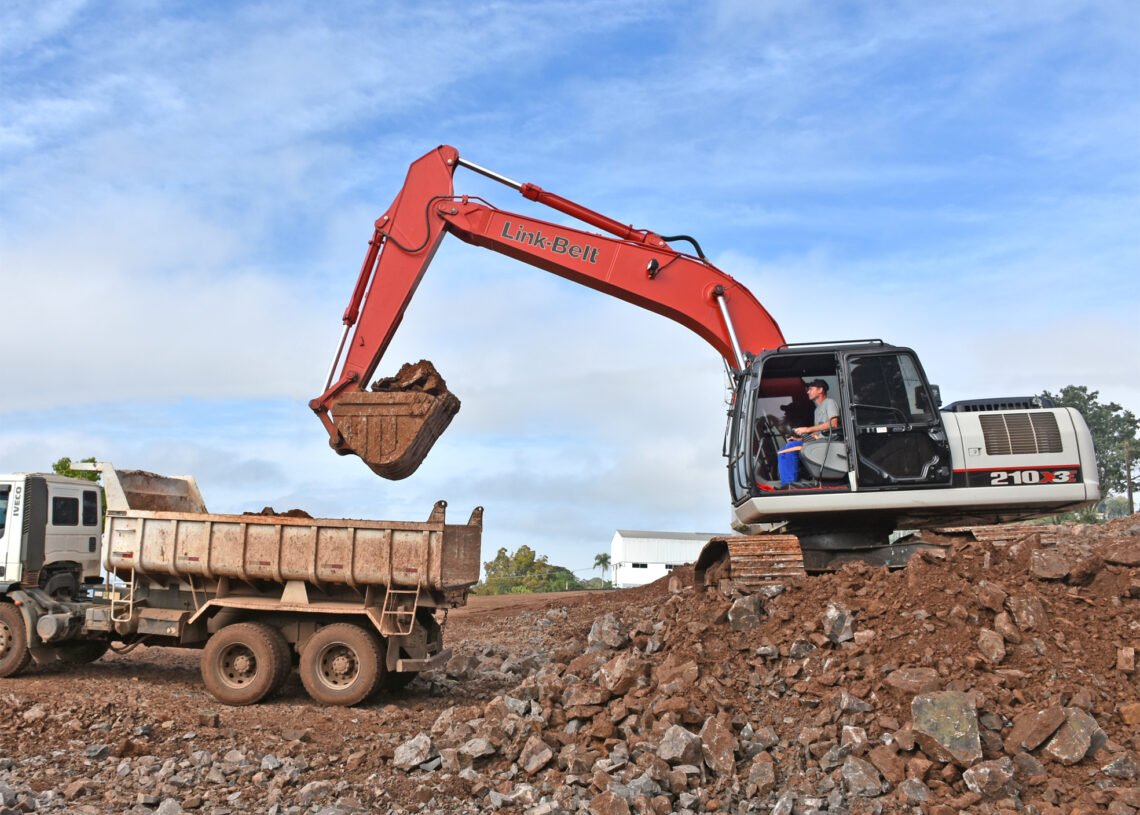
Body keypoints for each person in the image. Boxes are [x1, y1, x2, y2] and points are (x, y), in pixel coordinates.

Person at [777, 379, 840, 485]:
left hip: (829, 442)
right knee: (783, 450)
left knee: (791, 447)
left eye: (810, 389)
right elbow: (818, 432)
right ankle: (785, 483)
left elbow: (833, 424)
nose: (808, 392)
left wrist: (807, 429)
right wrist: (800, 439)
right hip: (819, 441)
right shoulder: (817, 410)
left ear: (820, 390)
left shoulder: (830, 402)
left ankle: (790, 483)